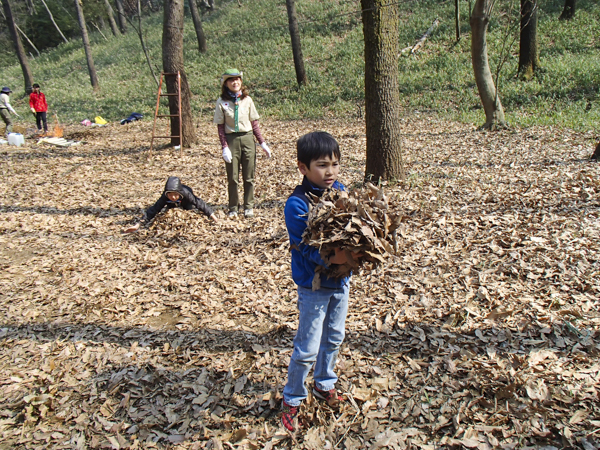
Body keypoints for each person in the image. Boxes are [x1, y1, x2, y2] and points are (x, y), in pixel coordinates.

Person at [281, 131, 359, 432]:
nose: (331, 172)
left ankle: (324, 383)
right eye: (323, 165)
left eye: (335, 164)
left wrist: (354, 255)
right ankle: (293, 398)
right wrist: (334, 259)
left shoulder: (339, 190)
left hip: (340, 282)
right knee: (307, 347)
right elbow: (306, 246)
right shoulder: (297, 204)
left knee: (335, 337)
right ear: (303, 168)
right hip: (313, 286)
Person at [212, 68, 271, 219]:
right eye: (231, 80)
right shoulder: (222, 101)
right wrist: (224, 147)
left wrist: (262, 143)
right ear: (226, 83)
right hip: (231, 140)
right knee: (232, 177)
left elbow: (254, 123)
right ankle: (233, 207)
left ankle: (248, 206)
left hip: (248, 139)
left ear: (241, 81)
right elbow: (220, 127)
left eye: (237, 79)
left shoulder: (247, 100)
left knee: (249, 175)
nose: (235, 82)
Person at [125, 176, 217, 232]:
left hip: (186, 203)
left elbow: (199, 203)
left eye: (175, 195)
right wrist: (138, 225)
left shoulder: (186, 193)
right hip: (172, 205)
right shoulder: (165, 197)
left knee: (189, 208)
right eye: (170, 195)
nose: (173, 197)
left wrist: (212, 215)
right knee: (169, 210)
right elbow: (154, 209)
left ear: (179, 193)